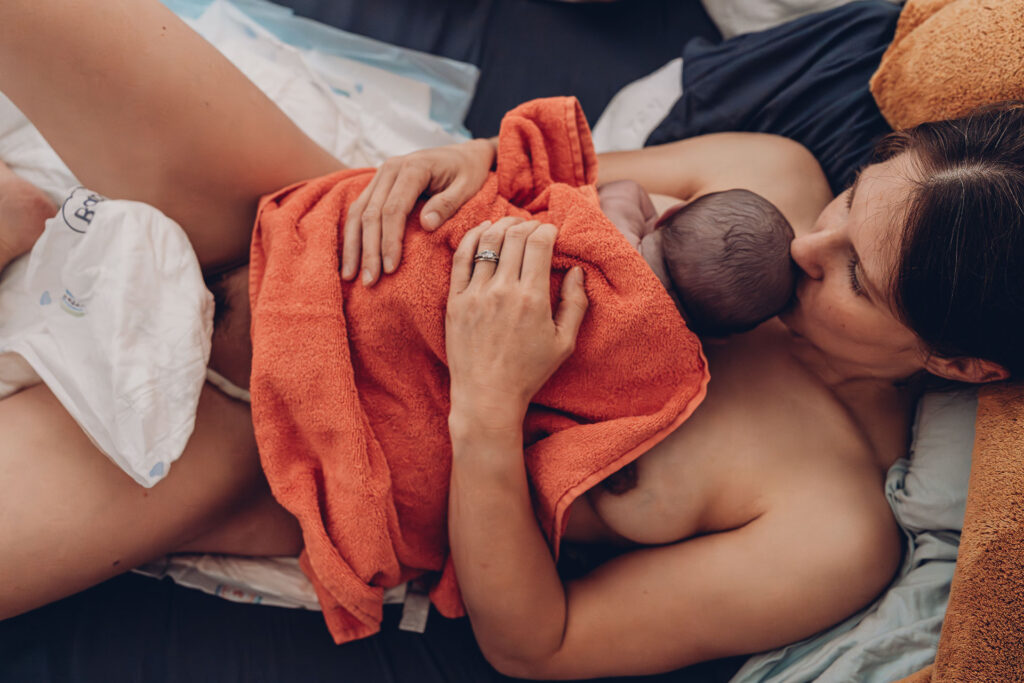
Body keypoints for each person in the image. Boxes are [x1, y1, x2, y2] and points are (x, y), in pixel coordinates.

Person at [0, 1, 1021, 679]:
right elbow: (537, 168)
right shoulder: (777, 172)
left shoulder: (825, 527)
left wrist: (489, 408)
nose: (806, 243)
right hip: (302, 221)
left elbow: (538, 644)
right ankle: (35, 228)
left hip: (272, 451)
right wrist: (454, 161)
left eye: (853, 274)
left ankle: (33, 229)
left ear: (958, 362)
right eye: (851, 201)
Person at [598, 179, 796, 336]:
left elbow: (621, 189)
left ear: (668, 214)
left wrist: (644, 217)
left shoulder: (620, 242)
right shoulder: (670, 354)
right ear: (719, 339)